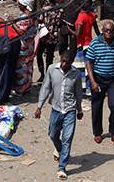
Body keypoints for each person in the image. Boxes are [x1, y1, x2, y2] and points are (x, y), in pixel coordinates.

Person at [35, 49, 83, 180]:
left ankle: (62, 167)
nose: (64, 64)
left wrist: (79, 110)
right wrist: (39, 106)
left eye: (67, 62)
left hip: (70, 110)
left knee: (67, 138)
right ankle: (59, 149)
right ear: (60, 58)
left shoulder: (76, 74)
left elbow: (78, 93)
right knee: (52, 134)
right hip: (56, 109)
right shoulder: (51, 69)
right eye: (63, 61)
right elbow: (45, 88)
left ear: (71, 62)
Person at [85, 19, 114, 150]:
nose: (109, 33)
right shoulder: (95, 43)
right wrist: (93, 82)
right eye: (107, 31)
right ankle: (97, 132)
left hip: (113, 80)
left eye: (111, 31)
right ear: (102, 31)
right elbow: (88, 62)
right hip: (98, 78)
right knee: (97, 106)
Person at [14, 0, 37, 96]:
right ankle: (27, 87)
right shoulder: (31, 15)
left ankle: (21, 89)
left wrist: (12, 23)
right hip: (30, 45)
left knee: (22, 68)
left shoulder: (25, 18)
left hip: (24, 47)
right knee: (28, 67)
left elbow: (20, 32)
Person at [37, 0, 61, 82]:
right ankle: (48, 75)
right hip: (54, 37)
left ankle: (42, 74)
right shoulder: (59, 9)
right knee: (50, 57)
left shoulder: (44, 9)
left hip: (44, 36)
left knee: (39, 54)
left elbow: (40, 20)